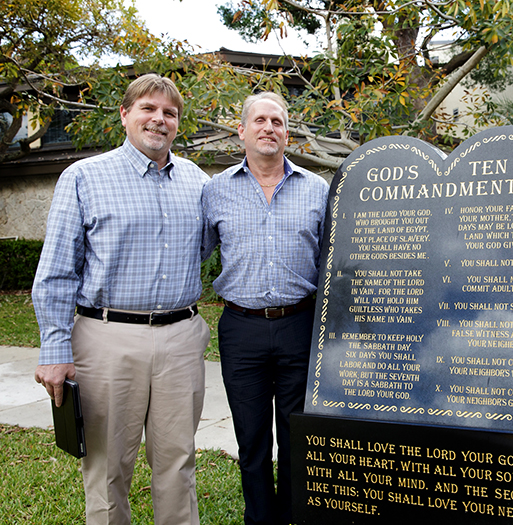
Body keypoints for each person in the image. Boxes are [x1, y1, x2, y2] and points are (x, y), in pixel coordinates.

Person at [32, 74, 211, 525]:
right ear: (125, 114)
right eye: (148, 109)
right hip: (106, 337)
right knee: (108, 467)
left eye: (169, 113)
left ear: (178, 124)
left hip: (181, 338)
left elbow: (205, 248)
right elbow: (56, 270)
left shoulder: (197, 181)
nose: (159, 119)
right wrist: (55, 349)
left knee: (178, 462)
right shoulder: (85, 177)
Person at [202, 91, 329, 525]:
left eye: (276, 121)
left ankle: (295, 515)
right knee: (251, 437)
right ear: (242, 131)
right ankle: (259, 519)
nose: (268, 128)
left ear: (287, 133)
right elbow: (196, 252)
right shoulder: (215, 191)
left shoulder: (317, 189)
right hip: (242, 328)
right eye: (259, 121)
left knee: (298, 434)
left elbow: (334, 260)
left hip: (300, 324)